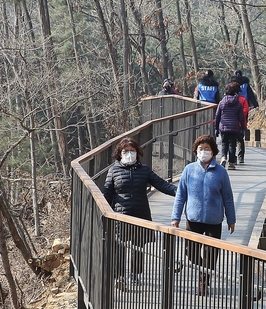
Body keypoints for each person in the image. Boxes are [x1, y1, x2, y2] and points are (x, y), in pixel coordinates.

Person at [102, 138, 177, 290]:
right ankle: (120, 277)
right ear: (119, 154)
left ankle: (135, 275)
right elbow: (107, 194)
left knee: (138, 246)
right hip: (120, 216)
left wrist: (180, 192)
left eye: (132, 151)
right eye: (125, 151)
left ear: (137, 153)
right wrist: (104, 214)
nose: (129, 154)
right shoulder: (113, 171)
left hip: (141, 214)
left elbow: (161, 184)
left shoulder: (144, 170)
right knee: (119, 246)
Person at [171, 135, 236, 296]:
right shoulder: (189, 170)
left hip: (214, 220)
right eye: (201, 149)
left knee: (211, 254)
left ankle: (203, 281)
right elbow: (181, 195)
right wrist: (176, 217)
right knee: (190, 252)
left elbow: (228, 197)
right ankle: (204, 271)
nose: (204, 152)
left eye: (207, 149)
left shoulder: (221, 172)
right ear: (196, 151)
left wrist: (231, 219)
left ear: (213, 151)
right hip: (193, 220)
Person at [214, 82, 246, 170]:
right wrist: (243, 128)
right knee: (232, 145)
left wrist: (216, 128)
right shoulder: (238, 103)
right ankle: (231, 163)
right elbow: (241, 117)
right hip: (234, 127)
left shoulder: (221, 102)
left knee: (224, 144)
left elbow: (217, 116)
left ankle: (223, 157)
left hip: (223, 126)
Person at [228, 70, 258, 163]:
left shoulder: (230, 84)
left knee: (232, 135)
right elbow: (251, 95)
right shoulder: (245, 84)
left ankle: (232, 157)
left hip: (232, 112)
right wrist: (256, 105)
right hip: (243, 109)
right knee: (241, 135)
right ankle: (241, 157)